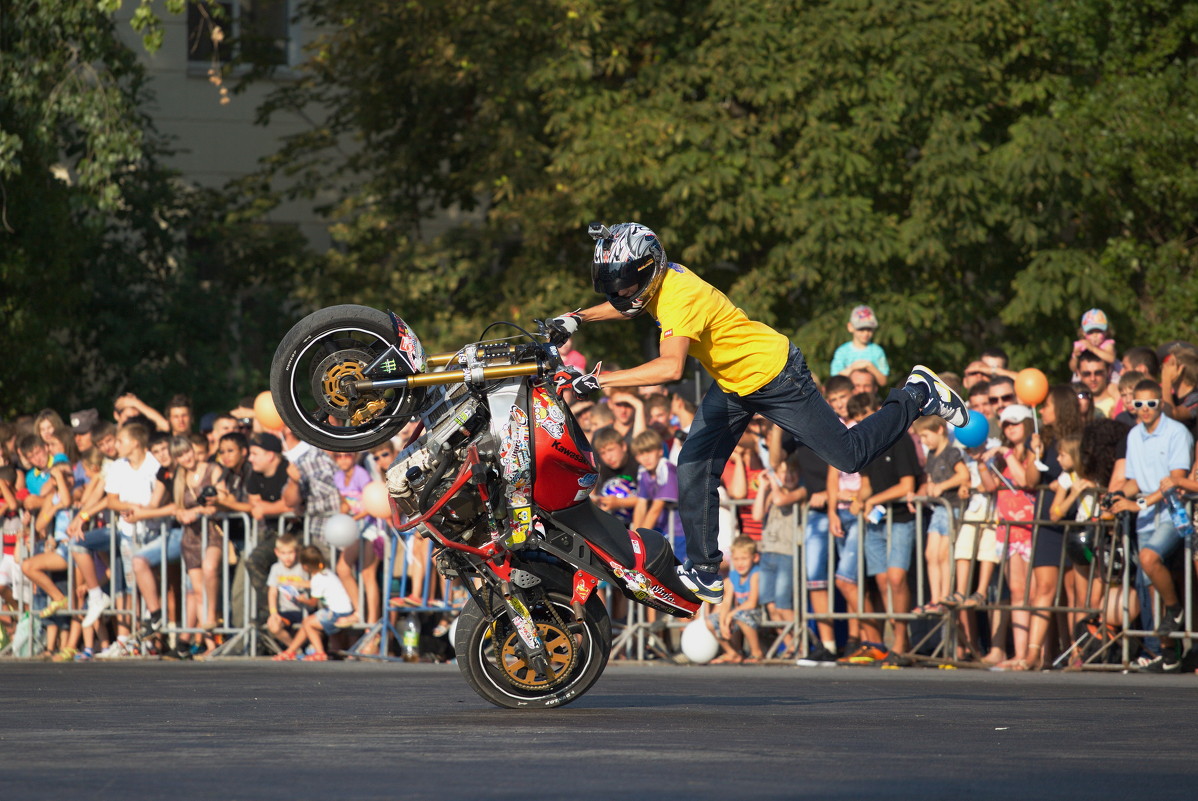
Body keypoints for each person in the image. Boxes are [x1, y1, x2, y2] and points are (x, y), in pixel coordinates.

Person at [548, 221, 967, 602]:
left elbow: (670, 368)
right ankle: (707, 569)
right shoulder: (657, 281)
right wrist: (577, 318)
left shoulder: (678, 297)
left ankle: (916, 393)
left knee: (850, 455)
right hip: (735, 384)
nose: (617, 293)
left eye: (623, 285)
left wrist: (596, 381)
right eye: (612, 285)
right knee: (693, 462)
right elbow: (629, 305)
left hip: (777, 376)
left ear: (648, 271)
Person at [1108, 379, 1194, 672]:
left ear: (1161, 403)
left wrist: (1139, 504)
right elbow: (1134, 481)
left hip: (1172, 512)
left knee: (1149, 558)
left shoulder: (1177, 432)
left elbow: (1175, 480)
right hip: (1145, 515)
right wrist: (1119, 495)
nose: (1144, 410)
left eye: (1151, 404)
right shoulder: (1133, 436)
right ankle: (1167, 655)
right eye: (1139, 404)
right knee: (1151, 583)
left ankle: (1176, 611)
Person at [979, 405, 1040, 668]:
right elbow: (991, 486)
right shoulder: (1005, 456)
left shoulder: (1032, 452)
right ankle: (1019, 653)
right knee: (1016, 592)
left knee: (1033, 592)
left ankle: (1034, 654)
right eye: (1005, 424)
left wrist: (1005, 453)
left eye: (1015, 423)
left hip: (1031, 528)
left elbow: (1025, 480)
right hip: (1008, 529)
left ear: (1028, 423)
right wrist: (982, 463)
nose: (1010, 428)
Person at [912, 416, 969, 617]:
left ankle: (946, 595)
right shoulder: (932, 455)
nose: (924, 441)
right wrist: (920, 494)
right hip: (938, 510)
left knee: (944, 554)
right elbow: (929, 481)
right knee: (931, 554)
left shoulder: (952, 453)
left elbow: (963, 476)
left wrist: (941, 487)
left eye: (926, 436)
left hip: (952, 508)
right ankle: (935, 599)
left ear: (939, 430)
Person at [752, 450, 805, 657]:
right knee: (771, 606)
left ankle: (802, 646)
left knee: (784, 605)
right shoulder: (773, 492)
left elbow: (782, 500)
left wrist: (773, 480)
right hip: (768, 553)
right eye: (783, 472)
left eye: (791, 472)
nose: (787, 477)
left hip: (787, 553)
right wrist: (763, 487)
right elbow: (757, 514)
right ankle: (792, 646)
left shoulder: (800, 491)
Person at [272, 545, 355, 661]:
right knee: (308, 622)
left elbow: (312, 603)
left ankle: (320, 652)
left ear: (305, 567)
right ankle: (290, 651)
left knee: (308, 623)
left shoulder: (317, 579)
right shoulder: (325, 572)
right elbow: (312, 584)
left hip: (337, 613)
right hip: (345, 610)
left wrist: (301, 599)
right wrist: (297, 583)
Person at [707, 536, 764, 663]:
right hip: (739, 613)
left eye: (744, 559)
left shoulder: (756, 574)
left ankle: (756, 652)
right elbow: (727, 602)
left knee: (739, 615)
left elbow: (752, 603)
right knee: (711, 621)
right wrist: (722, 622)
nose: (740, 563)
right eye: (736, 559)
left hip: (756, 613)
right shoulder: (733, 576)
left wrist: (731, 615)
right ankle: (732, 653)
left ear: (754, 558)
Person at [630, 429, 682, 561]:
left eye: (649, 451)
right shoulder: (643, 471)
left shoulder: (667, 469)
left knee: (680, 571)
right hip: (663, 530)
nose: (646, 457)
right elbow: (641, 505)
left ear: (660, 451)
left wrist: (639, 541)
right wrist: (634, 537)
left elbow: (656, 508)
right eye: (641, 454)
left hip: (681, 531)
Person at [830, 304, 890, 386]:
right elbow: (835, 379)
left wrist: (870, 366)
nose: (865, 333)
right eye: (861, 329)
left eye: (869, 329)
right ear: (850, 327)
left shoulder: (877, 351)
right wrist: (853, 368)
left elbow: (883, 382)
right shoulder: (842, 351)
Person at [590, 426, 639, 524]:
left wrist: (619, 503)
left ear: (623, 446)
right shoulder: (601, 466)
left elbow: (650, 499)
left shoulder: (637, 461)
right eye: (602, 453)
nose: (608, 457)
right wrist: (594, 499)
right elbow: (592, 495)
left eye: (611, 450)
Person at [265, 533, 306, 648]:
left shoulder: (303, 567)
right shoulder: (276, 568)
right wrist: (273, 613)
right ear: (277, 552)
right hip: (286, 611)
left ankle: (300, 649)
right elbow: (272, 592)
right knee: (273, 625)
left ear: (297, 552)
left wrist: (300, 585)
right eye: (283, 553)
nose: (287, 557)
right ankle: (294, 649)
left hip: (304, 611)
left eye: (290, 553)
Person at [1068, 308, 1117, 380]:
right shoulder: (1081, 345)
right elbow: (1073, 368)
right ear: (1083, 333)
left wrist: (1092, 348)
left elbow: (1111, 359)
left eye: (1098, 331)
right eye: (1090, 332)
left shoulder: (1107, 344)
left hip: (1107, 378)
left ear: (1106, 332)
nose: (1095, 335)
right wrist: (1075, 357)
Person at [1077, 350, 1119, 418]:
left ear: (1108, 371)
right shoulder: (1072, 403)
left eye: (1098, 373)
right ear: (1078, 373)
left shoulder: (1122, 402)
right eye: (1087, 374)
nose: (1093, 378)